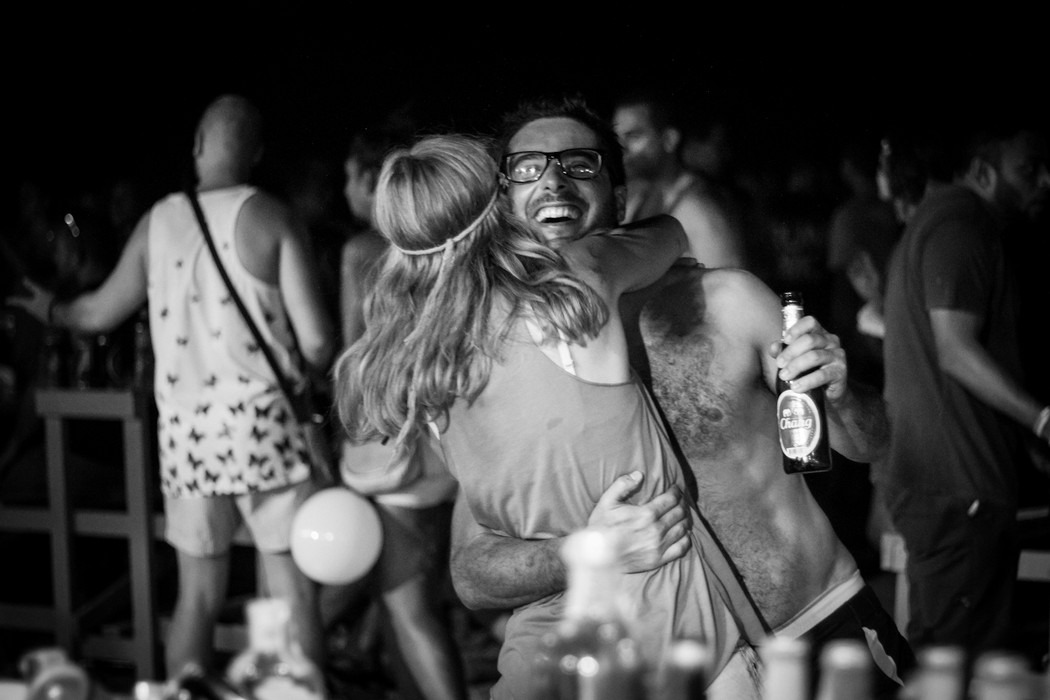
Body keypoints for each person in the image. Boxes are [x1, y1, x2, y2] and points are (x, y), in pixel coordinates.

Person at [450, 95, 916, 700]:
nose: (554, 179)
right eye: (528, 167)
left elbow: (870, 442)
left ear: (620, 197)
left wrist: (843, 391)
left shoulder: (725, 302)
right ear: (504, 202)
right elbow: (472, 572)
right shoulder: (497, 367)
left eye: (579, 163)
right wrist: (582, 552)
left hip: (811, 631)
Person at [332, 119, 766, 699]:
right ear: (497, 208)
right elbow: (670, 230)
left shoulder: (420, 368)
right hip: (662, 655)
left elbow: (480, 560)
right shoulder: (575, 287)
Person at [5, 94, 336, 681]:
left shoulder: (160, 220)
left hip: (188, 436)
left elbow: (97, 313)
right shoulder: (273, 216)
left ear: (198, 147)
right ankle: (299, 693)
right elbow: (315, 343)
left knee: (196, 596)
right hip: (268, 430)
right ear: (255, 154)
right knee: (291, 593)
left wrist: (49, 308)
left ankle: (183, 695)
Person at [880, 119, 1050, 662]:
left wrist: (1023, 441)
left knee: (955, 658)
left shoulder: (941, 222)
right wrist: (1042, 418)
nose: (1044, 181)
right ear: (983, 171)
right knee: (952, 666)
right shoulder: (963, 224)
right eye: (1027, 170)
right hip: (959, 487)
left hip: (949, 485)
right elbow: (955, 349)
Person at [320, 123, 469, 700]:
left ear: (375, 183)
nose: (345, 193)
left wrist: (342, 436)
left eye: (350, 180)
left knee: (407, 608)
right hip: (443, 440)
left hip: (392, 444)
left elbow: (351, 353)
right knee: (412, 598)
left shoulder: (363, 251)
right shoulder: (449, 249)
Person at [612, 89, 748, 269]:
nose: (622, 148)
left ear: (669, 139)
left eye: (634, 136)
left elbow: (731, 287)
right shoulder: (636, 199)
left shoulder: (698, 208)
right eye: (617, 138)